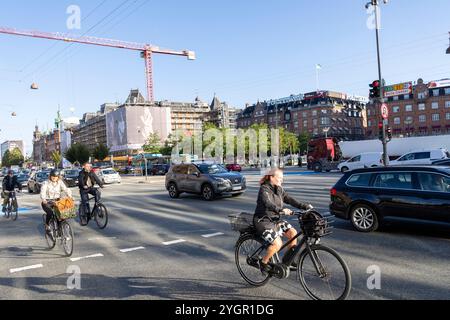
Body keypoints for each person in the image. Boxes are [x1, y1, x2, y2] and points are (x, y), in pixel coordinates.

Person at [254, 168, 313, 274]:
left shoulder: (279, 189)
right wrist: (280, 210)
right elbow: (267, 203)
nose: (281, 180)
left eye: (282, 178)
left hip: (275, 220)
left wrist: (303, 206)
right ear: (271, 177)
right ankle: (263, 262)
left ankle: (287, 261)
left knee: (293, 233)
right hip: (263, 221)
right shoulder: (264, 189)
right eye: (279, 178)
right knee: (277, 244)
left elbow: (289, 199)